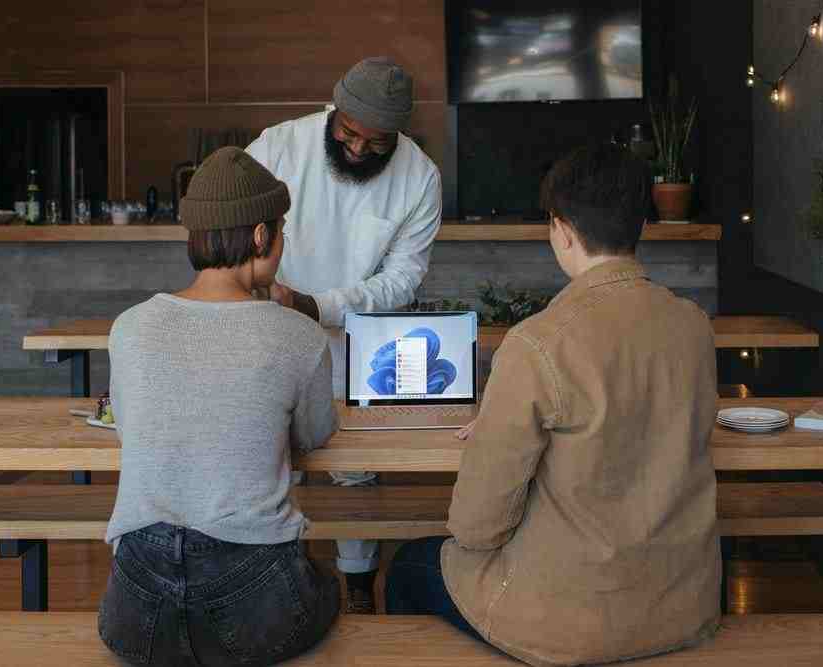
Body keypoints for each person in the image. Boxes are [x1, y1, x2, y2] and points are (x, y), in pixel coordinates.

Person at [385, 144, 721, 666]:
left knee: (409, 566)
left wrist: (500, 427)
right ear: (640, 225)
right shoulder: (693, 325)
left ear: (561, 229)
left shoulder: (538, 342)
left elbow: (478, 525)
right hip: (682, 603)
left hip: (573, 623)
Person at [99, 147, 340, 666]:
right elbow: (315, 435)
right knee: (331, 588)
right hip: (254, 607)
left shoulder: (129, 328)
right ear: (261, 236)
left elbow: (133, 428)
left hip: (135, 613)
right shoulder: (299, 335)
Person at [246, 56, 442, 613]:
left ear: (398, 134)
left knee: (356, 472)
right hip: (268, 334)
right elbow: (236, 230)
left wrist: (317, 305)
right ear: (334, 110)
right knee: (267, 461)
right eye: (349, 134)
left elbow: (403, 278)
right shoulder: (277, 147)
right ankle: (272, 586)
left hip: (355, 343)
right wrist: (266, 289)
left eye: (376, 143)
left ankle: (359, 590)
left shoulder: (420, 176)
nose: (358, 149)